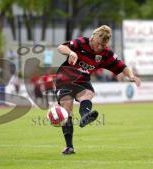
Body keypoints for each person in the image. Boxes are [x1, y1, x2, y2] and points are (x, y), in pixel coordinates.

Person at [55, 25, 141, 155]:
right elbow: (61, 47)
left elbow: (122, 66)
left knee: (89, 93)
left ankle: (85, 116)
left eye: (103, 45)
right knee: (67, 109)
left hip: (82, 80)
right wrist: (71, 52)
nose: (99, 47)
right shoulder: (81, 42)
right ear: (94, 36)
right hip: (65, 78)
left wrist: (132, 76)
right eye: (98, 44)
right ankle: (69, 147)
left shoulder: (106, 53)